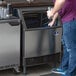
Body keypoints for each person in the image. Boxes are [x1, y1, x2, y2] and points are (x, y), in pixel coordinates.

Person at [47, 0, 76, 76]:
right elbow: (59, 7)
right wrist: (53, 20)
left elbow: (60, 1)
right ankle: (64, 68)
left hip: (71, 20)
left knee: (72, 49)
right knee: (66, 45)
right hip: (68, 20)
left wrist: (51, 13)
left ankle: (71, 73)